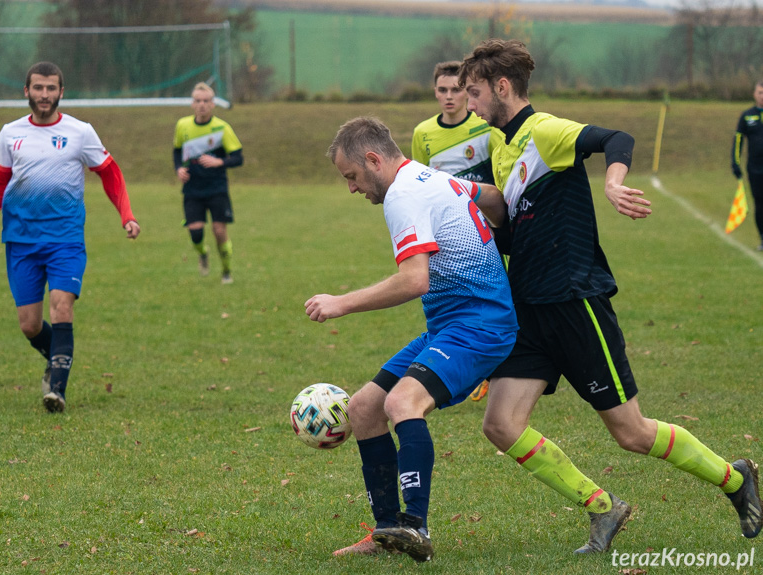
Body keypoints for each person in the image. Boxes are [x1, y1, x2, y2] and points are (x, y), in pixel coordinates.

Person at [458, 38, 762, 553]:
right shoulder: (501, 148)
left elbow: (616, 138)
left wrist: (613, 183)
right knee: (501, 424)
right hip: (528, 307)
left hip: (574, 300)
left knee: (632, 433)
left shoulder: (544, 131)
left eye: (473, 92)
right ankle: (603, 507)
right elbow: (517, 230)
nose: (469, 104)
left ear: (501, 87)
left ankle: (735, 480)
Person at [305, 116, 518, 562]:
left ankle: (415, 527)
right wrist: (506, 236)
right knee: (363, 408)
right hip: (450, 325)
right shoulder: (429, 175)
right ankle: (387, 532)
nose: (352, 188)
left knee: (402, 404)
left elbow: (414, 280)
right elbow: (495, 198)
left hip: (480, 326)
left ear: (373, 159)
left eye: (352, 177)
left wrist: (341, 302)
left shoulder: (402, 194)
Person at [0, 61, 140, 413]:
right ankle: (57, 358)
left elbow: (111, 175)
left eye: (50, 89)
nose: (44, 95)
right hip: (21, 240)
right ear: (26, 91)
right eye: (38, 88)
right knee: (30, 325)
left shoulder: (80, 132)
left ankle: (57, 392)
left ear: (61, 92)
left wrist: (127, 215)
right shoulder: (10, 133)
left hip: (65, 239)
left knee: (62, 307)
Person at [412, 59, 504, 403]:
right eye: (442, 90)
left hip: (485, 229)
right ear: (434, 92)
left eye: (457, 90)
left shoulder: (485, 130)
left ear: (467, 92)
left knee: (493, 296)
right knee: (449, 298)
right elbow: (418, 185)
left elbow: (499, 179)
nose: (449, 97)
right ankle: (461, 363)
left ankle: (491, 366)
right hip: (446, 232)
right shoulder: (423, 133)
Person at [173, 82, 244, 284]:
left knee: (219, 231)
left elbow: (238, 158)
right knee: (195, 233)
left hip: (216, 188)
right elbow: (177, 150)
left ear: (213, 104)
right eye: (198, 101)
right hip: (192, 189)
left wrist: (219, 161)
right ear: (192, 104)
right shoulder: (183, 125)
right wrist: (178, 168)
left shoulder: (222, 128)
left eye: (206, 101)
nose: (202, 105)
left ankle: (226, 270)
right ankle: (203, 253)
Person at [731, 81, 763, 250]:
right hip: (755, 169)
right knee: (760, 203)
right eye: (760, 92)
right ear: (754, 94)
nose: (762, 96)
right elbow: (738, 141)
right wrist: (735, 163)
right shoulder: (747, 116)